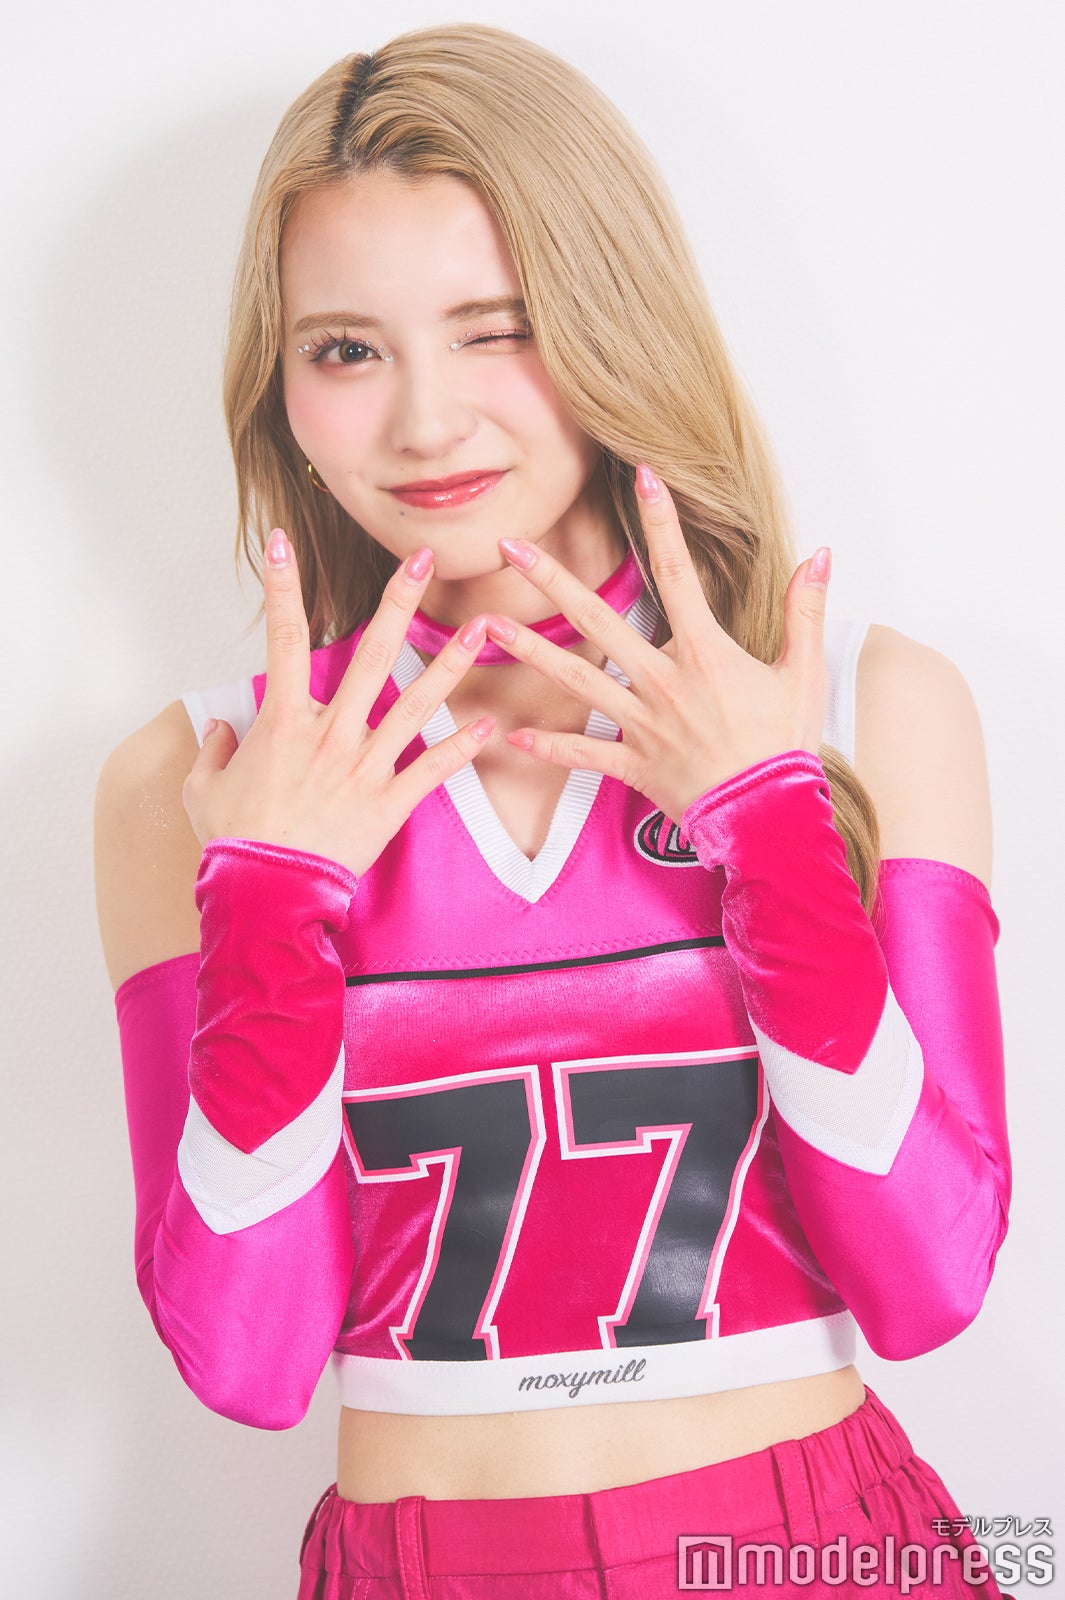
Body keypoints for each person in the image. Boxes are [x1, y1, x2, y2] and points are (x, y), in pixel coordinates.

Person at [94, 23, 1010, 1598]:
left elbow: (930, 1282)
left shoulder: (856, 702)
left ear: (607, 320)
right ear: (281, 386)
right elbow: (246, 1362)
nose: (425, 423)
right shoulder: (201, 776)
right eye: (346, 349)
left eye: (496, 330)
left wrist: (769, 824)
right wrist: (267, 897)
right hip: (419, 1560)